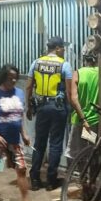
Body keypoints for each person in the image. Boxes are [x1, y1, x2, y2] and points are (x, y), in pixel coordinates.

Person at [0, 64, 39, 201]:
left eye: (15, 78)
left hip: (15, 141)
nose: (13, 80)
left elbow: (19, 117)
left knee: (21, 169)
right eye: (9, 78)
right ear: (3, 78)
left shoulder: (19, 93)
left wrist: (24, 134)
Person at [25, 36, 74, 191]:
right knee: (55, 144)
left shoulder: (36, 63)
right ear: (57, 48)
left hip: (41, 107)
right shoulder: (64, 65)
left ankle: (34, 179)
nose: (64, 50)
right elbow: (69, 92)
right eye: (63, 47)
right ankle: (51, 180)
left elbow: (28, 87)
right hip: (58, 108)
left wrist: (28, 107)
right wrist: (70, 109)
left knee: (39, 143)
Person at [68, 52, 99, 161]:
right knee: (92, 152)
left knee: (75, 154)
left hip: (80, 120)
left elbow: (74, 99)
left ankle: (78, 171)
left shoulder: (78, 73)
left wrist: (84, 119)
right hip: (96, 121)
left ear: (84, 60)